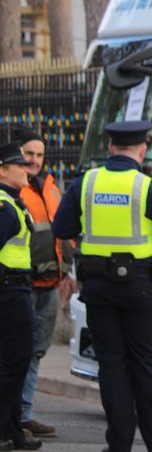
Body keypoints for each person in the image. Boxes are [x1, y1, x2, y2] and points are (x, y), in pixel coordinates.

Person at [51, 121, 152, 452]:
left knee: (112, 363)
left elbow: (61, 226)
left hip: (99, 288)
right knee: (145, 363)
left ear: (110, 148)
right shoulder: (148, 187)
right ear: (143, 148)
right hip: (140, 288)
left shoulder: (86, 184)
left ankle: (118, 443)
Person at [15, 130, 72, 440]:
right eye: (28, 154)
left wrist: (69, 269)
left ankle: (23, 414)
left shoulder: (50, 187)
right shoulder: (10, 189)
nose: (34, 161)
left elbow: (63, 233)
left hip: (50, 284)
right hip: (21, 285)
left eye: (39, 155)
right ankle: (13, 416)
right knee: (13, 353)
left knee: (36, 352)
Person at [0, 142, 43, 451]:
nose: (28, 168)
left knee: (16, 361)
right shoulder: (3, 205)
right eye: (20, 164)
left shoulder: (13, 201)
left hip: (17, 289)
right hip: (8, 291)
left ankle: (13, 430)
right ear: (2, 170)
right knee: (14, 362)